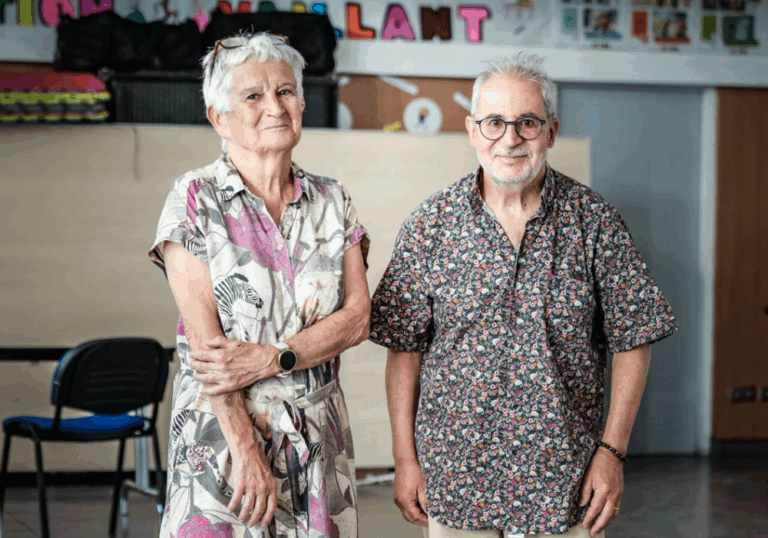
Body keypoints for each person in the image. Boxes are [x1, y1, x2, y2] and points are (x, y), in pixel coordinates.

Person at [369, 53, 678, 538]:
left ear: (551, 132)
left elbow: (634, 338)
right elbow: (403, 350)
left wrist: (612, 451)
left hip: (564, 480)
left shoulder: (594, 222)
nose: (510, 139)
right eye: (494, 122)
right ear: (472, 131)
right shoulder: (430, 224)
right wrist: (404, 459)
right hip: (455, 479)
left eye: (527, 123)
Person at [149, 32, 370, 538]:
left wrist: (277, 357)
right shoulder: (195, 197)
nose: (275, 106)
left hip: (318, 442)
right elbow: (209, 350)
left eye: (286, 91)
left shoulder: (333, 200)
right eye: (253, 95)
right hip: (224, 437)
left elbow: (358, 318)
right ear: (218, 118)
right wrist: (247, 451)